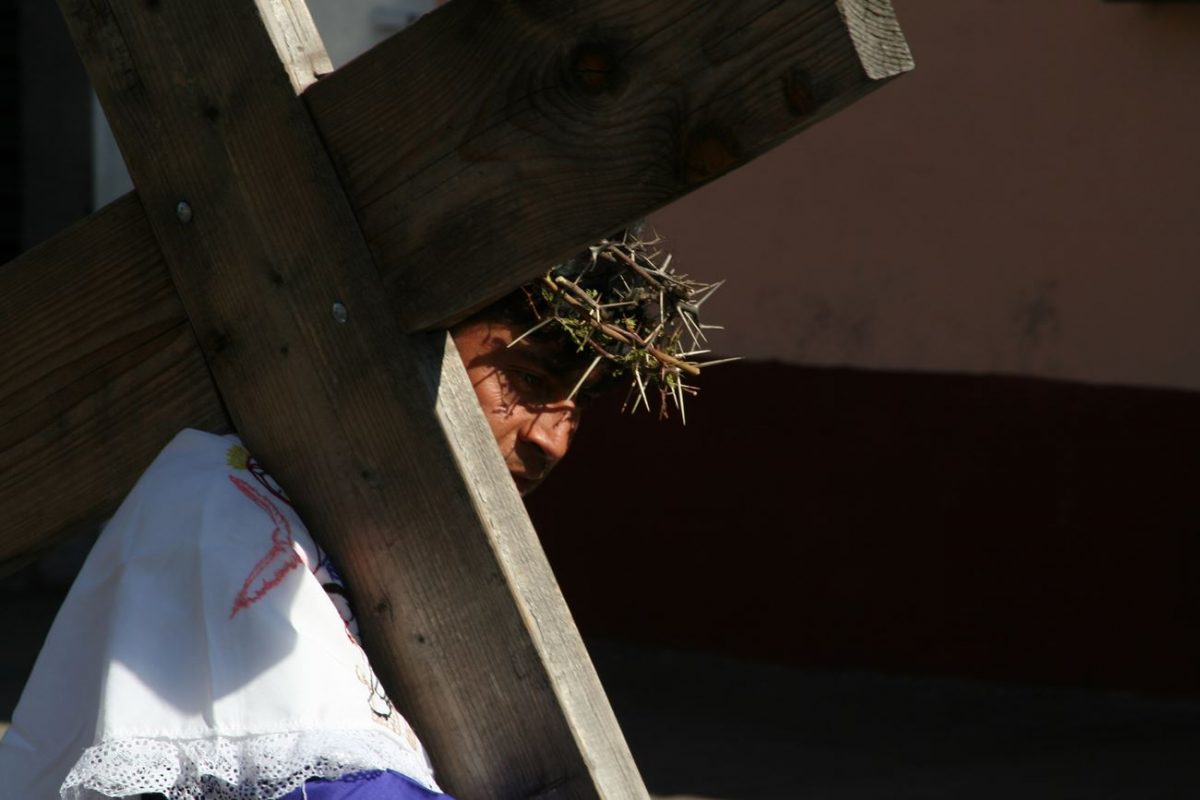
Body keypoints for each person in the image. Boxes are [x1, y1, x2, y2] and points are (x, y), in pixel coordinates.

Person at [0, 229, 724, 799]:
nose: (550, 438)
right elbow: (337, 789)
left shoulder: (405, 540)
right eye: (526, 380)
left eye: (577, 409)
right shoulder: (217, 506)